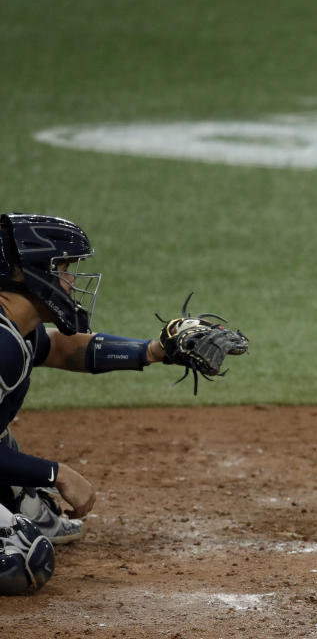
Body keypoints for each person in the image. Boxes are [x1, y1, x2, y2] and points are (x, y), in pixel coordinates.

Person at [0, 213, 167, 595]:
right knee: (22, 557)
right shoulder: (0, 345)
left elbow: (60, 347)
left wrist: (152, 352)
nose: (71, 281)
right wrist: (55, 473)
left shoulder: (16, 331)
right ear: (28, 271)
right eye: (62, 267)